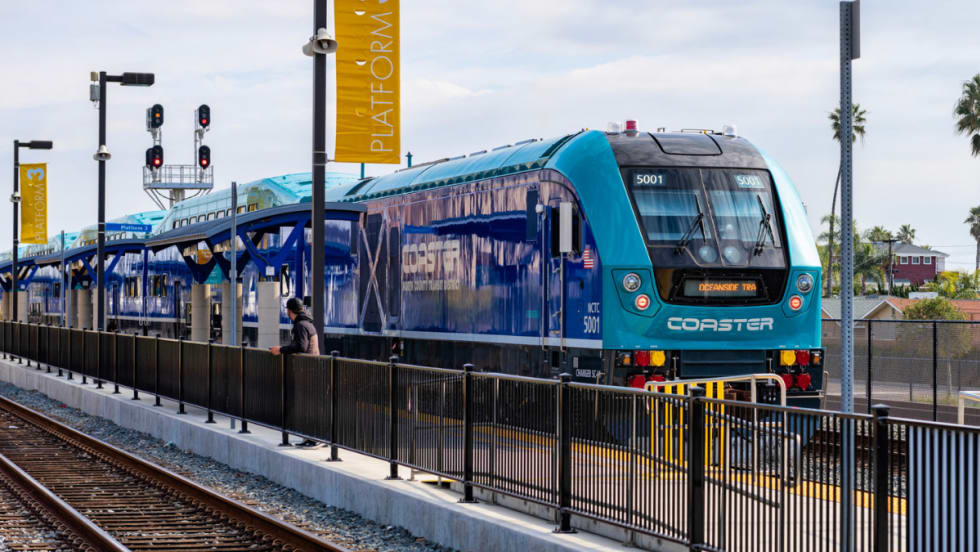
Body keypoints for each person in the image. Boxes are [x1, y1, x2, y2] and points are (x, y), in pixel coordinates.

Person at [269, 297, 319, 447]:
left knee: (305, 405)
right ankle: (312, 437)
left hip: (306, 370)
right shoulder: (308, 324)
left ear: (290, 311)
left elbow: (301, 347)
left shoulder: (300, 325)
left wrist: (281, 350)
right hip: (312, 368)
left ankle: (312, 438)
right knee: (308, 404)